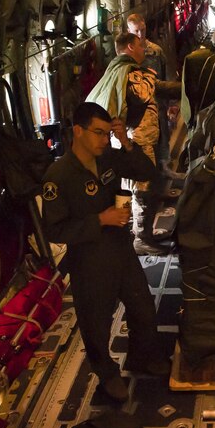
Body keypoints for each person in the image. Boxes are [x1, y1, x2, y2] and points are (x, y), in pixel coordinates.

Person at [40, 102, 170, 402]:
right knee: (96, 322)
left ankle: (143, 356)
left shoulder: (109, 157)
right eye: (98, 133)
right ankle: (107, 374)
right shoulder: (58, 176)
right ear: (78, 132)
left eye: (106, 133)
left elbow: (146, 170)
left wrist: (125, 141)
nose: (103, 139)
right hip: (89, 259)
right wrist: (99, 219)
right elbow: (55, 230)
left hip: (120, 248)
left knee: (142, 307)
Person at [86, 32, 169, 255]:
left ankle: (140, 233)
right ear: (130, 47)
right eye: (140, 46)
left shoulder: (117, 71)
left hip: (132, 139)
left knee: (138, 188)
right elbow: (141, 94)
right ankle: (141, 238)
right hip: (134, 141)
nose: (144, 50)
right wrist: (150, 75)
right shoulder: (131, 73)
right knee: (141, 190)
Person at [127, 13, 183, 180]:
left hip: (157, 103)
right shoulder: (126, 56)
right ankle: (146, 175)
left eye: (142, 30)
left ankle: (164, 166)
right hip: (138, 108)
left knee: (162, 135)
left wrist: (172, 104)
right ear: (129, 30)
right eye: (136, 31)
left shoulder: (155, 51)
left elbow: (166, 77)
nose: (140, 35)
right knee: (143, 143)